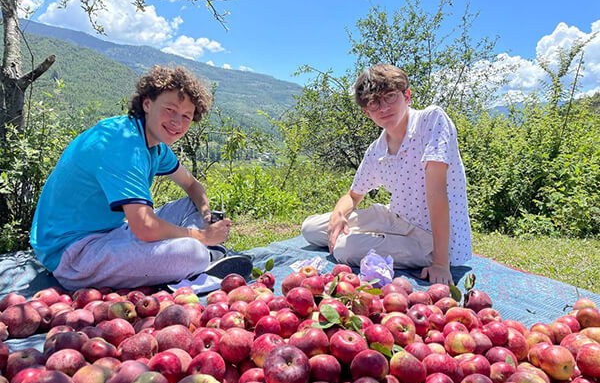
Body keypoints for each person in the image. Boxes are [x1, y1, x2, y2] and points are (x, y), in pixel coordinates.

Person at [30, 65, 251, 290]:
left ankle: (203, 256)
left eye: (186, 116)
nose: (177, 122)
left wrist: (206, 219)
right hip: (73, 253)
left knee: (190, 206)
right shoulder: (122, 144)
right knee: (192, 251)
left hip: (111, 233)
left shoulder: (153, 143)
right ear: (147, 104)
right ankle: (201, 259)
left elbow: (193, 186)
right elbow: (144, 227)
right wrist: (202, 237)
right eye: (170, 109)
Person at [302, 64, 472, 285]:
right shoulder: (377, 149)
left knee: (346, 247)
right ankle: (356, 235)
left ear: (407, 95)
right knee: (311, 228)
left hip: (429, 236)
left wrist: (441, 264)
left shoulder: (431, 120)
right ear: (366, 111)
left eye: (390, 97)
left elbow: (437, 194)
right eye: (373, 102)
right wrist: (338, 214)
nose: (383, 107)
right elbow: (353, 196)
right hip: (395, 219)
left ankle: (362, 242)